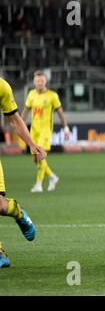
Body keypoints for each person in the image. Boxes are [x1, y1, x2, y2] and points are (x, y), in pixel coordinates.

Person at [0, 77, 47, 268]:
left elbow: (14, 119)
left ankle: (18, 212)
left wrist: (32, 144)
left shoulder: (2, 87)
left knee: (1, 207)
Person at [21, 70, 70, 193]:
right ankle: (52, 177)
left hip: (45, 131)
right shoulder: (31, 94)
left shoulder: (52, 96)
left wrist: (66, 127)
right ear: (34, 81)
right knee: (35, 159)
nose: (39, 83)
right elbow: (26, 110)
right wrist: (20, 123)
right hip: (34, 131)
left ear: (45, 81)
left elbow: (60, 113)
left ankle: (38, 184)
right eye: (37, 80)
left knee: (40, 156)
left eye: (42, 80)